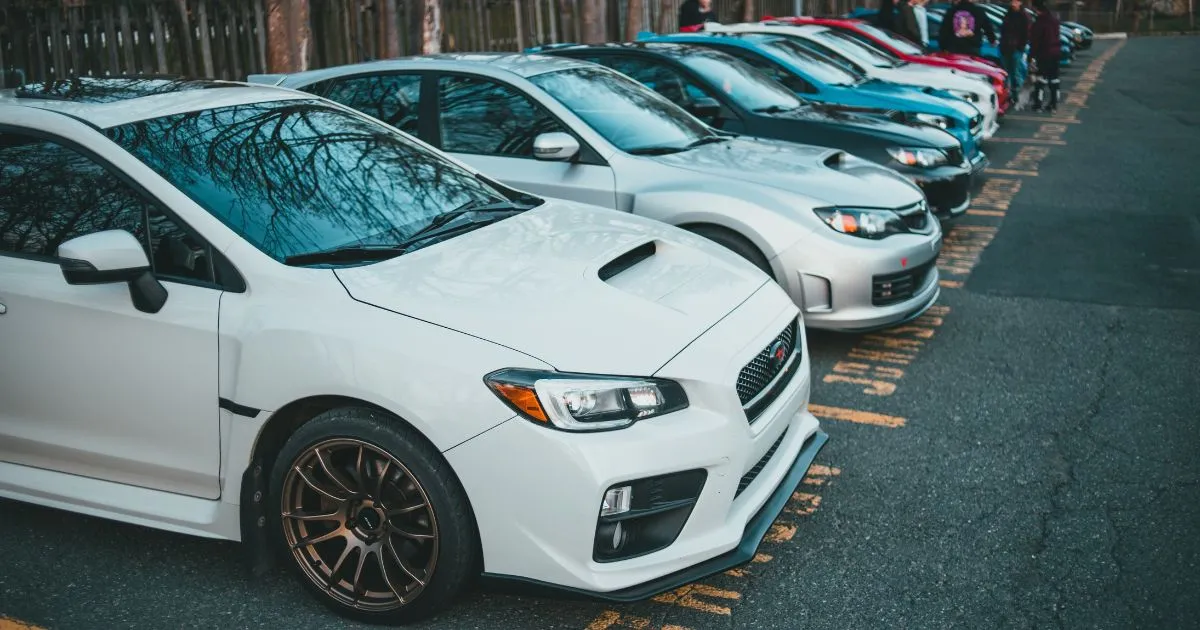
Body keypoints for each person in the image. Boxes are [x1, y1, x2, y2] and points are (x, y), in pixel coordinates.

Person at [1029, 0, 1062, 112]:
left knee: (1040, 79)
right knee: (1054, 79)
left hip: (1043, 53)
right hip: (1055, 52)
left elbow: (1035, 41)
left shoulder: (1039, 23)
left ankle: (1038, 104)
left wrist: (1031, 56)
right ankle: (1054, 103)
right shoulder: (1054, 21)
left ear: (1036, 9)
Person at [999, 0, 1030, 107]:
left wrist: (1021, 46)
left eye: (1016, 2)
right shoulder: (1008, 14)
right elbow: (1003, 30)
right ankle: (1007, 95)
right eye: (1012, 1)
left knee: (1015, 72)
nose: (1013, 4)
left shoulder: (1023, 16)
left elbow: (1026, 33)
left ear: (1020, 3)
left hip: (1016, 48)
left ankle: (1015, 94)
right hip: (1005, 47)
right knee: (1006, 71)